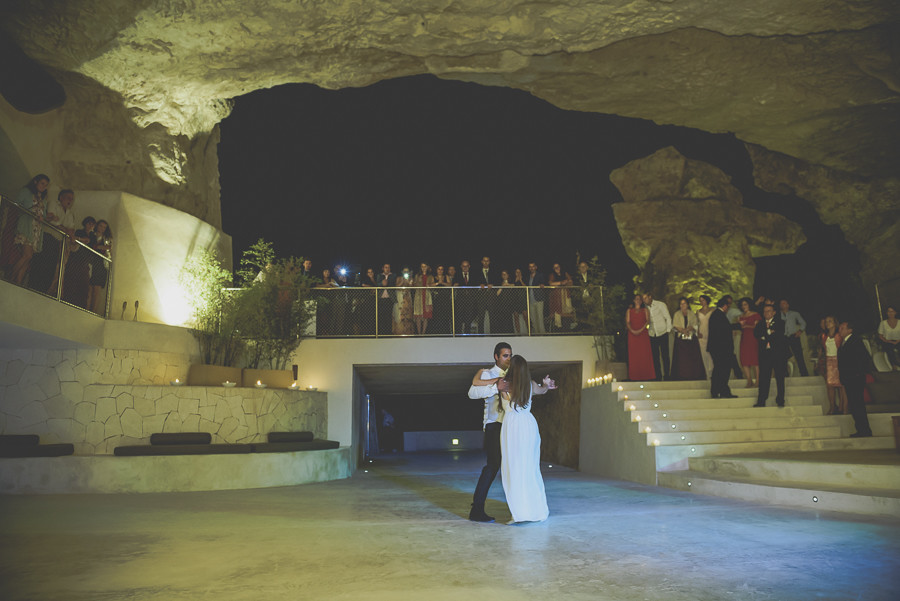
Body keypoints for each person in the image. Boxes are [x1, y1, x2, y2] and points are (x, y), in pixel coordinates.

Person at [473, 354, 556, 524]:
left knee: (514, 470)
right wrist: (546, 384)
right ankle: (535, 510)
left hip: (512, 427)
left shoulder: (504, 384)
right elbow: (543, 390)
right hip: (529, 425)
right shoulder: (531, 385)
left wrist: (480, 372)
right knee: (530, 469)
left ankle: (519, 512)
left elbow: (476, 382)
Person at [466, 342, 513, 522]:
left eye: (510, 355)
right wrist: (496, 388)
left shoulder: (513, 373)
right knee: (492, 466)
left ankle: (519, 508)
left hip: (511, 425)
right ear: (496, 356)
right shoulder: (488, 373)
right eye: (505, 356)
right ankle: (476, 509)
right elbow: (472, 393)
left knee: (512, 466)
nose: (508, 359)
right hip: (495, 425)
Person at [10, 174, 50, 285]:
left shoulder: (43, 199)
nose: (44, 187)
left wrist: (44, 217)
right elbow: (17, 205)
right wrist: (31, 210)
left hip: (36, 230)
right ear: (35, 182)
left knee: (29, 257)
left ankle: (18, 282)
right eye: (42, 183)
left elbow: (44, 214)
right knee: (26, 255)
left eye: (46, 185)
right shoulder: (26, 191)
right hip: (26, 226)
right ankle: (11, 277)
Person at [837, 319, 872, 437]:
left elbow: (864, 358)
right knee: (854, 404)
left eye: (842, 328)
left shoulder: (855, 341)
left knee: (858, 403)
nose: (839, 330)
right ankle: (861, 429)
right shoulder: (844, 342)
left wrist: (858, 373)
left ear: (849, 330)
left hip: (855, 378)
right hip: (848, 378)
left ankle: (865, 430)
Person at [753, 304, 788, 407]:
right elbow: (756, 334)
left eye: (769, 311)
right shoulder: (760, 323)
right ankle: (761, 400)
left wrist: (765, 335)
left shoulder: (780, 322)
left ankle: (780, 399)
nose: (767, 313)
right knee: (764, 377)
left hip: (778, 354)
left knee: (780, 377)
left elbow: (778, 335)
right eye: (765, 311)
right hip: (765, 354)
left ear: (774, 312)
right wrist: (769, 332)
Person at [708, 297, 738, 399]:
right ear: (725, 306)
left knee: (719, 370)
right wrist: (738, 325)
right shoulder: (718, 315)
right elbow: (724, 330)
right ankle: (721, 391)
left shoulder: (716, 314)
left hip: (718, 348)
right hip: (721, 349)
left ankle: (718, 391)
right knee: (722, 370)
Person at [670, 297, 705, 380]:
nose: (682, 305)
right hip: (680, 339)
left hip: (690, 339)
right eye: (681, 304)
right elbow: (675, 325)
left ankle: (693, 375)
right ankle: (681, 376)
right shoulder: (677, 314)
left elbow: (695, 324)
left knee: (692, 358)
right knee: (681, 359)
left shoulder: (691, 313)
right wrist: (682, 330)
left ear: (687, 304)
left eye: (684, 303)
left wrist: (689, 329)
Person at [819, 315, 847, 414]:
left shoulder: (839, 335)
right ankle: (832, 407)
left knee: (841, 385)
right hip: (829, 362)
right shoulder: (824, 336)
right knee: (830, 385)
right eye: (826, 321)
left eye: (830, 321)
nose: (828, 323)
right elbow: (824, 349)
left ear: (835, 323)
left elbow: (841, 349)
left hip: (838, 361)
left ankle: (843, 407)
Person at [626, 294, 656, 381]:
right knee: (634, 355)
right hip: (632, 335)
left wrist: (640, 330)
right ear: (634, 300)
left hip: (643, 334)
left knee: (644, 354)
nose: (638, 301)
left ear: (641, 301)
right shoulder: (629, 310)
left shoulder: (645, 310)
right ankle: (634, 376)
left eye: (639, 299)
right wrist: (632, 331)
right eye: (636, 299)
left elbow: (647, 321)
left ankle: (647, 375)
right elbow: (627, 322)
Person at [642, 292, 672, 381]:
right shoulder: (645, 308)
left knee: (665, 355)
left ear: (650, 297)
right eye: (643, 299)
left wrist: (668, 330)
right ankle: (657, 376)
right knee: (655, 356)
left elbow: (668, 317)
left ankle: (667, 375)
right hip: (652, 333)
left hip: (662, 332)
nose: (644, 300)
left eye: (645, 298)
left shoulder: (660, 304)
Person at [87, 219, 112, 315]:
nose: (102, 229)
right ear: (97, 226)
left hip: (101, 265)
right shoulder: (92, 234)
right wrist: (98, 247)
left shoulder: (106, 239)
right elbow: (91, 245)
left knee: (96, 290)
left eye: (104, 227)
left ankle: (93, 311)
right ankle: (87, 308)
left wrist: (102, 248)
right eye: (101, 226)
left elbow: (108, 250)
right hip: (91, 262)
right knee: (89, 288)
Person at [780, 299, 809, 376]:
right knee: (783, 356)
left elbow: (803, 323)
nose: (783, 305)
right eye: (781, 303)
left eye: (784, 303)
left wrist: (800, 331)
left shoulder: (794, 313)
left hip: (793, 336)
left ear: (788, 305)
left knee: (799, 355)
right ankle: (785, 373)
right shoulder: (778, 315)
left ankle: (804, 373)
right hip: (783, 337)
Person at [738, 298, 762, 387]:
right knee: (744, 359)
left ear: (749, 305)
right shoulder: (740, 316)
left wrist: (746, 325)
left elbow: (758, 327)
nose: (744, 306)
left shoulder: (755, 315)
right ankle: (749, 380)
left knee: (755, 359)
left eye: (745, 304)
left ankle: (758, 380)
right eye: (742, 305)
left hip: (753, 338)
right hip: (744, 338)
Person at [472, 255, 498, 334]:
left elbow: (497, 281)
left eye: (487, 261)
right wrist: (480, 285)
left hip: (491, 297)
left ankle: (493, 334)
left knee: (492, 317)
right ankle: (481, 335)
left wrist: (492, 285)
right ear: (482, 262)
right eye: (484, 260)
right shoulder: (477, 272)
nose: (486, 262)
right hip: (481, 297)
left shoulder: (494, 271)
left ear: (489, 262)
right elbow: (474, 282)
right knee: (481, 317)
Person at [548, 262, 574, 331]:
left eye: (558, 267)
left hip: (565, 295)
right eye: (555, 267)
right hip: (557, 296)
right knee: (558, 313)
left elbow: (571, 281)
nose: (557, 268)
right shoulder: (552, 275)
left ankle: (567, 328)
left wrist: (567, 282)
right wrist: (561, 283)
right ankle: (558, 328)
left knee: (567, 311)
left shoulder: (565, 273)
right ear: (553, 269)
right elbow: (551, 283)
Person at [454, 259, 476, 334]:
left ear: (469, 266)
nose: (465, 268)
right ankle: (458, 334)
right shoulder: (457, 275)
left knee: (468, 319)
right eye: (463, 266)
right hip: (460, 300)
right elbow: (454, 284)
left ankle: (467, 334)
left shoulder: (473, 275)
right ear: (461, 267)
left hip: (470, 300)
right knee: (459, 318)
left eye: (466, 266)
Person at [412, 262, 434, 335]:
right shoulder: (417, 275)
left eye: (425, 266)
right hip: (418, 296)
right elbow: (414, 285)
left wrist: (430, 285)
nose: (423, 268)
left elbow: (433, 285)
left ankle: (423, 333)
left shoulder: (430, 276)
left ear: (427, 267)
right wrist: (418, 281)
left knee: (425, 317)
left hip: (427, 296)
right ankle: (419, 333)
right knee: (418, 316)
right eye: (422, 266)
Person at [696, 294, 714, 378]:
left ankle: (713, 372)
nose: (701, 302)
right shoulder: (698, 312)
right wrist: (697, 332)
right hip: (701, 333)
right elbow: (696, 324)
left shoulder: (712, 310)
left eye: (703, 300)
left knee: (711, 353)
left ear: (707, 300)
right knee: (703, 354)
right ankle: (706, 373)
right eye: (700, 301)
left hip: (711, 333)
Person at [392, 267, 414, 335]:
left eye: (407, 271)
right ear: (402, 272)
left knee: (407, 313)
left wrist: (408, 282)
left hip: (407, 298)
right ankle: (398, 331)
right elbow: (397, 286)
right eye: (404, 271)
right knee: (399, 313)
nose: (405, 273)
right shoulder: (399, 278)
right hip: (400, 296)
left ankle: (407, 331)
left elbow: (412, 287)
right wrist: (402, 281)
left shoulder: (411, 279)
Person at [526, 262, 547, 334]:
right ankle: (536, 334)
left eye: (533, 266)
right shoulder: (528, 276)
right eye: (530, 267)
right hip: (530, 300)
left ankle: (542, 335)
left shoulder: (540, 275)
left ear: (536, 267)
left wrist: (542, 285)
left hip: (539, 299)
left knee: (540, 318)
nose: (531, 268)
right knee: (533, 319)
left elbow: (543, 283)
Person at [376, 263, 396, 336]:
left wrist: (386, 283)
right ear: (383, 268)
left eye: (388, 267)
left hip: (389, 299)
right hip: (381, 298)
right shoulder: (379, 275)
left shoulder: (393, 275)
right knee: (381, 316)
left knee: (388, 316)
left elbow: (392, 284)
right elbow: (378, 284)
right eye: (385, 267)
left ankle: (388, 333)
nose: (387, 269)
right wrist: (382, 283)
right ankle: (381, 333)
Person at [432, 264, 452, 335]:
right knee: (437, 316)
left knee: (445, 316)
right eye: (438, 269)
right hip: (437, 299)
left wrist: (442, 282)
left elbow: (450, 284)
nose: (440, 271)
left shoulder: (446, 277)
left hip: (445, 299)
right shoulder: (433, 277)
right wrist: (437, 283)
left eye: (441, 269)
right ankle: (437, 332)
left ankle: (446, 332)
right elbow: (429, 285)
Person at [512, 267, 528, 334]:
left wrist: (520, 280)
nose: (518, 273)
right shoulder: (513, 279)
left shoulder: (524, 278)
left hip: (523, 299)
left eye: (519, 272)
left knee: (525, 315)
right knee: (516, 316)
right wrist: (516, 281)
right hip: (516, 299)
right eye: (516, 272)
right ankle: (518, 332)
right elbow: (512, 286)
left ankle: (529, 331)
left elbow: (525, 286)